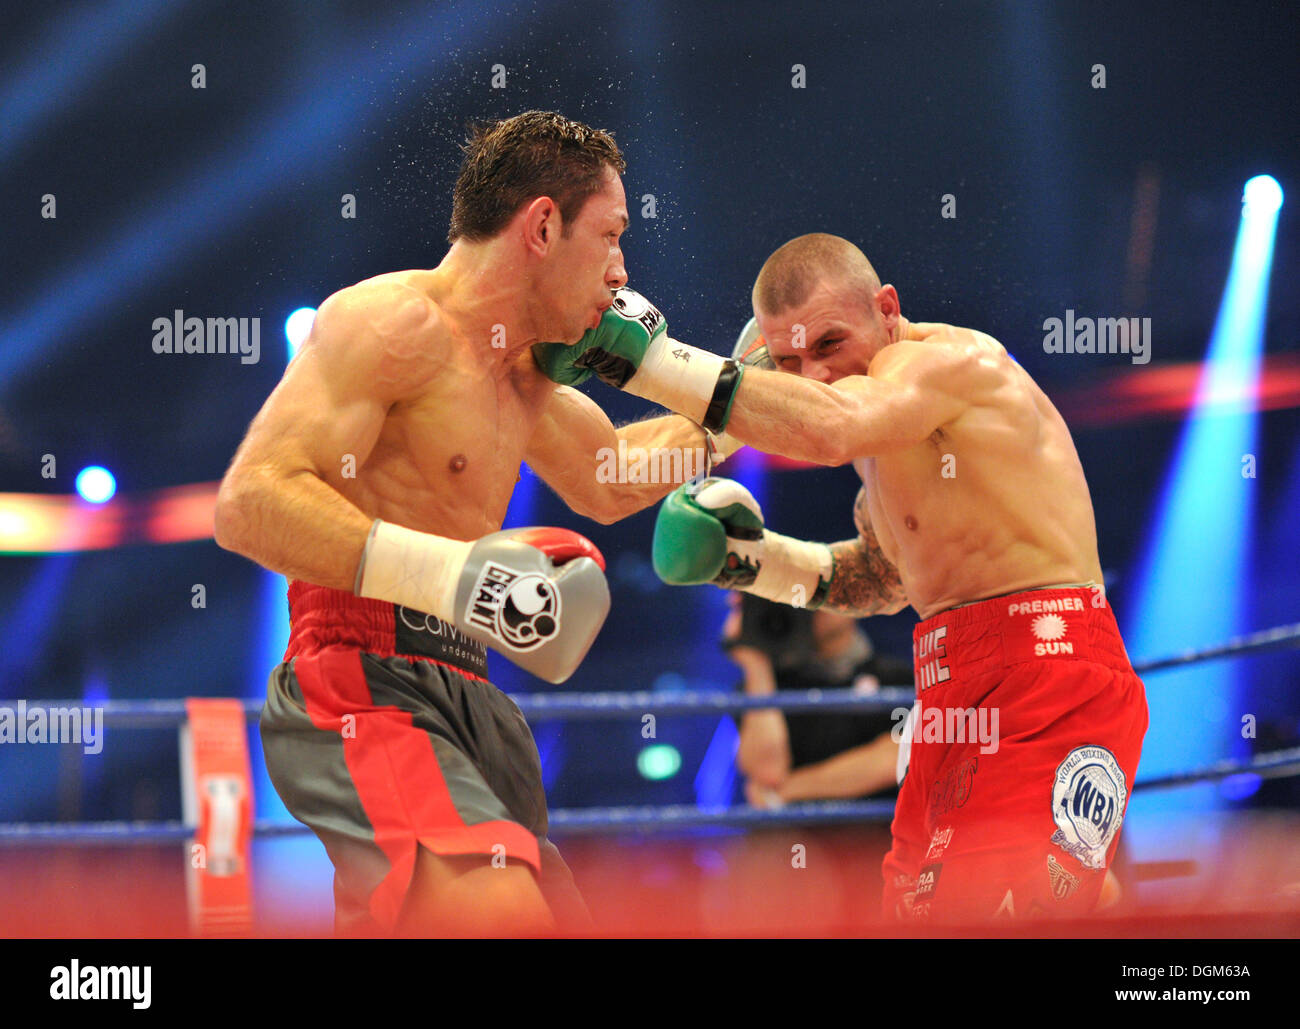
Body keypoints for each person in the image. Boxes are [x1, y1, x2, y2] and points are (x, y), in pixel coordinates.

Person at [213, 111, 738, 936]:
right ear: (541, 224)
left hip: (472, 685)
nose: (622, 269)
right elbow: (251, 502)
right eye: (609, 235)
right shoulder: (392, 322)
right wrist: (449, 576)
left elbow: (613, 478)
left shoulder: (520, 376)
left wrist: (742, 396)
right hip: (361, 675)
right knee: (498, 912)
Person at [534, 232, 1149, 921]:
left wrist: (650, 362)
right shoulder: (882, 453)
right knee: (921, 916)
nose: (815, 375)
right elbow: (882, 580)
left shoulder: (949, 364)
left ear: (887, 308)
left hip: (1048, 670)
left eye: (830, 344)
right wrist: (754, 561)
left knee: (987, 916)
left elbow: (831, 427)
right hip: (952, 689)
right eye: (790, 360)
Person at [723, 594, 911, 808]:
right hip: (793, 838)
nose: (814, 605)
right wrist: (755, 663)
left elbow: (899, 756)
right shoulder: (766, 687)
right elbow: (767, 773)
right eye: (807, 597)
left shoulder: (897, 677)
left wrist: (787, 790)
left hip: (878, 835)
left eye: (823, 593)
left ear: (858, 602)